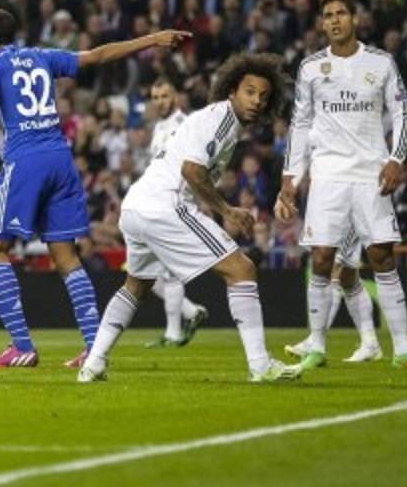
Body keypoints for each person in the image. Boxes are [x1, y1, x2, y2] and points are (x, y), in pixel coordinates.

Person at [0, 8, 190, 369]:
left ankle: (21, 345)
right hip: (61, 159)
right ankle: (93, 345)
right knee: (66, 257)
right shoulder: (43, 56)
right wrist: (152, 39)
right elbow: (99, 55)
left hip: (25, 160)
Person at [79, 53, 302, 383]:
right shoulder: (223, 119)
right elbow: (191, 171)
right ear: (232, 91)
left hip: (136, 206)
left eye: (263, 96)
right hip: (164, 204)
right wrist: (226, 210)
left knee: (136, 285)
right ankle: (260, 366)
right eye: (249, 92)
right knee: (242, 269)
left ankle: (94, 363)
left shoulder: (217, 121)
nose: (256, 101)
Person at [276, 0, 407, 370]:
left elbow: (403, 111)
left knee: (381, 256)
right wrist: (290, 177)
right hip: (327, 176)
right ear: (322, 24)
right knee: (322, 257)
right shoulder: (310, 68)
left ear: (355, 18)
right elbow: (301, 124)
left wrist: (395, 158)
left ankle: (403, 350)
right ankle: (317, 347)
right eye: (328, 15)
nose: (336, 20)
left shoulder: (381, 62)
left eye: (342, 13)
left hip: (371, 173)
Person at [142, 78, 210, 349]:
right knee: (143, 271)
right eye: (155, 97)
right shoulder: (159, 128)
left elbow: (192, 166)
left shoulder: (185, 125)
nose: (160, 101)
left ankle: (174, 333)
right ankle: (191, 312)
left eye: (164, 96)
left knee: (168, 273)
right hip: (156, 203)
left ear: (176, 97)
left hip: (176, 203)